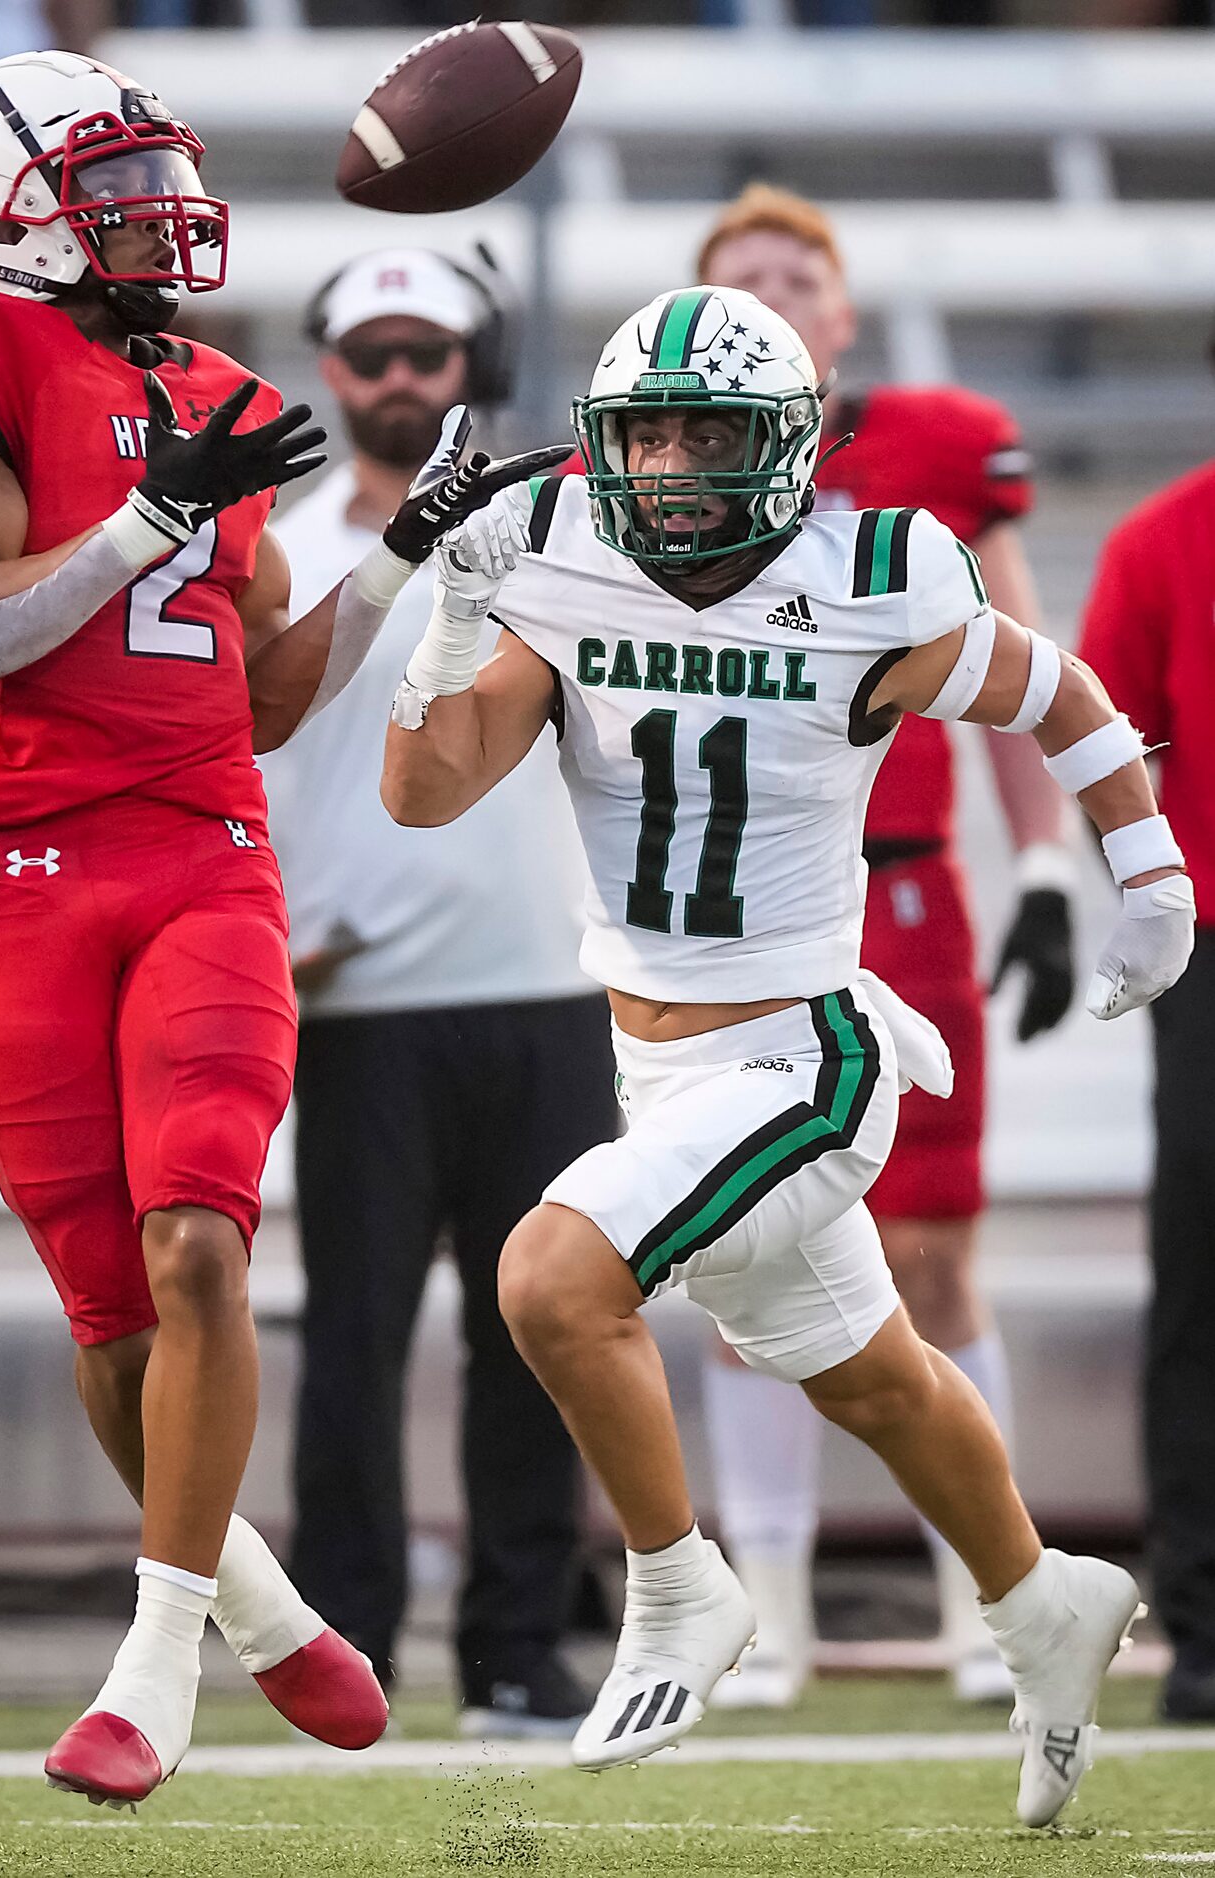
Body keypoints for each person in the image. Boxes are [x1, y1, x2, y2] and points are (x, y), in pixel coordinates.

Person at [0, 50, 560, 1806]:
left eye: (158, 172)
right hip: (8, 862)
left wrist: (395, 555)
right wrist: (149, 517)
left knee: (203, 1248)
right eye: (112, 177)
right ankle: (247, 1592)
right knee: (111, 1313)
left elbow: (269, 698)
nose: (156, 209)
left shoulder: (219, 387)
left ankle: (155, 1662)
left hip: (204, 852)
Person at [381, 284, 1192, 1828]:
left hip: (805, 1057)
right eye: (646, 431)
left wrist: (1146, 880)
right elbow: (424, 793)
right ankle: (1041, 1601)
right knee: (878, 1380)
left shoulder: (872, 576)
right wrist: (451, 613)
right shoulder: (557, 564)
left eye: (708, 431)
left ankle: (680, 1584)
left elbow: (1061, 693)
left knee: (553, 1276)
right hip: (657, 1070)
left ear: (786, 442)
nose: (674, 463)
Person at [689, 183, 1076, 1707]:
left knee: (926, 1252)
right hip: (730, 907)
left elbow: (1022, 672)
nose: (774, 298)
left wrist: (1043, 866)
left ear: (842, 315)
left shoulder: (926, 451)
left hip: (899, 885)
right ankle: (767, 1612)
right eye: (743, 280)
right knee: (736, 1247)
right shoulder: (664, 464)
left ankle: (993, 1596)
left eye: (797, 275)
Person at [263, 248, 614, 1735]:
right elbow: (248, 752)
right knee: (349, 1340)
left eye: (429, 349)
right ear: (333, 368)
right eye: (374, 352)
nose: (402, 377)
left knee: (538, 1332)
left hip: (543, 984)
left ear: (476, 356)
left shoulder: (564, 535)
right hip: (349, 1007)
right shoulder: (276, 548)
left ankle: (518, 1647)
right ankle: (347, 1646)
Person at [1079, 451, 1215, 1721]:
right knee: (1199, 1283)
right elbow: (1095, 734)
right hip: (1213, 949)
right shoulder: (1160, 537)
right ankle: (1206, 1624)